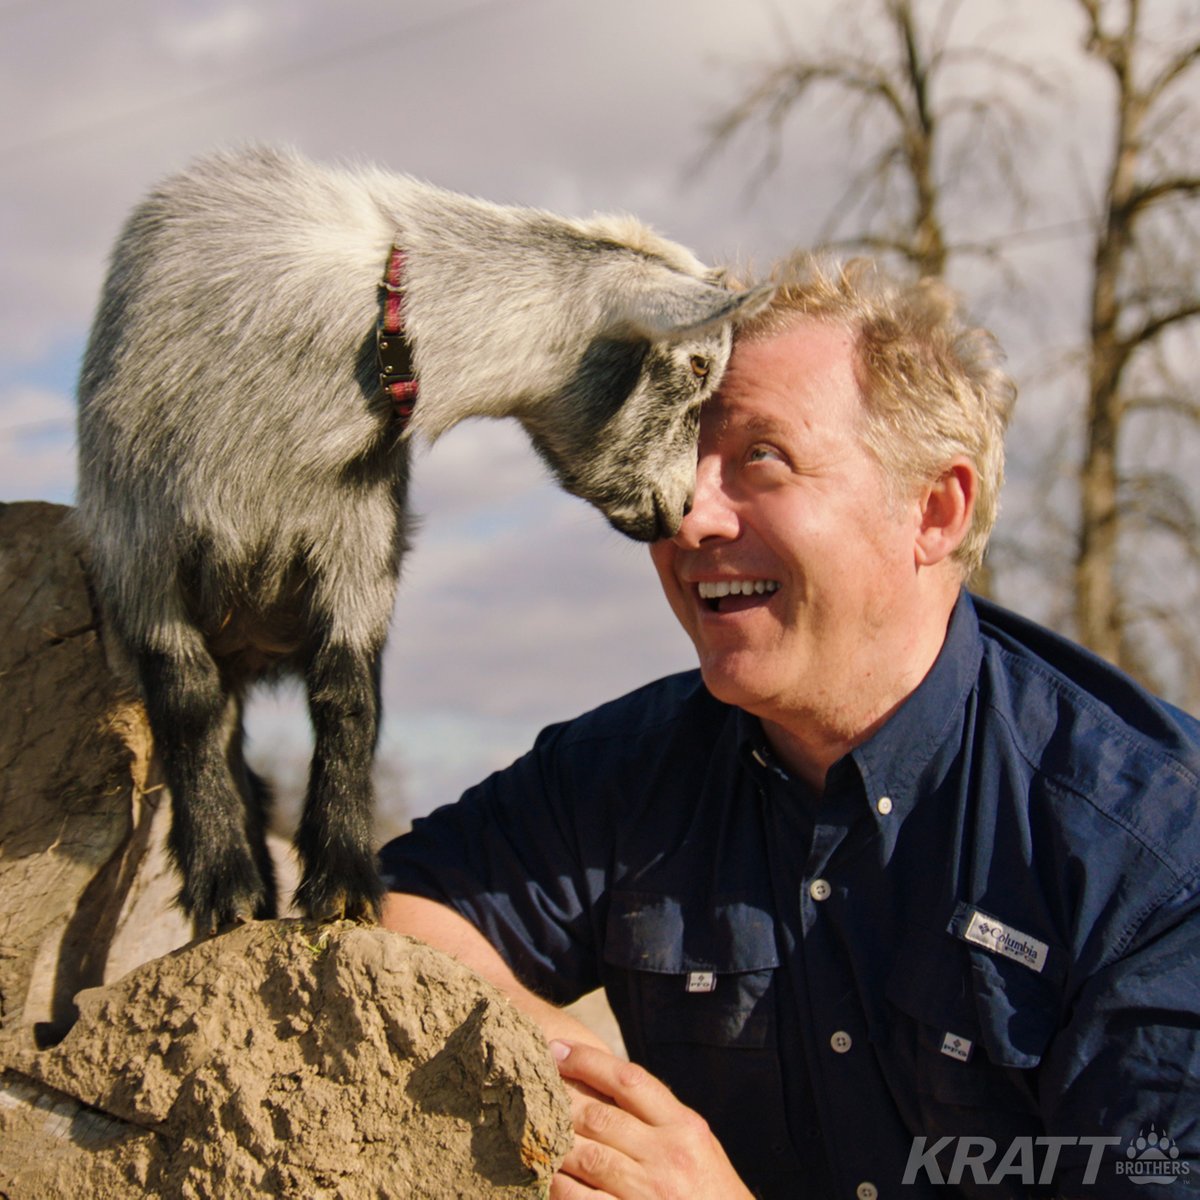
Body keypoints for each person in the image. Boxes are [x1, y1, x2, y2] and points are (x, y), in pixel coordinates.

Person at [379, 255, 1200, 1200]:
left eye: (760, 458)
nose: (686, 515)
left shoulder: (1146, 860)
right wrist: (593, 1100)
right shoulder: (624, 774)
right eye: (683, 461)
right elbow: (406, 915)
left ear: (934, 510)